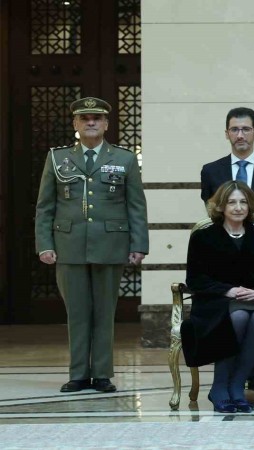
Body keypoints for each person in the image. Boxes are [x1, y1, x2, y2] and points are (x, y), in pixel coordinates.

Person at [35, 96, 149, 393]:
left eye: (96, 118)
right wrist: (44, 244)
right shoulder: (57, 158)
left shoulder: (124, 158)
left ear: (106, 124)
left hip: (110, 244)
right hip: (68, 245)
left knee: (104, 312)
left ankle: (101, 374)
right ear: (75, 123)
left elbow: (136, 205)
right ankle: (78, 374)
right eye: (84, 118)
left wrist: (138, 244)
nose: (90, 123)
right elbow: (45, 206)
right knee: (76, 312)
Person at [200, 107, 254, 391]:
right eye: (235, 129)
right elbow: (212, 214)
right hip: (224, 258)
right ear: (227, 133)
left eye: (246, 129)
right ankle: (229, 373)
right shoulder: (211, 171)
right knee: (234, 311)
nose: (240, 135)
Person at [181, 181, 254, 413]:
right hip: (214, 302)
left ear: (250, 205)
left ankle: (237, 386)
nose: (238, 207)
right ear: (220, 206)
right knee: (237, 316)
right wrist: (226, 290)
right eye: (232, 202)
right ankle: (219, 387)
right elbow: (195, 278)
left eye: (243, 202)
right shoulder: (203, 237)